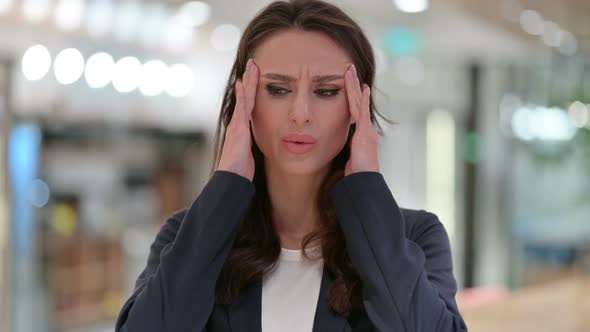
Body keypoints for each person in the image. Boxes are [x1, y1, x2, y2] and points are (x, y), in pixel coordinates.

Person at [115, 0, 468, 331]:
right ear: (245, 102)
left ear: (358, 106)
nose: (301, 114)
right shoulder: (187, 235)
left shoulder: (415, 238)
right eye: (277, 90)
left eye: (327, 92)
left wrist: (366, 186)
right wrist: (226, 185)